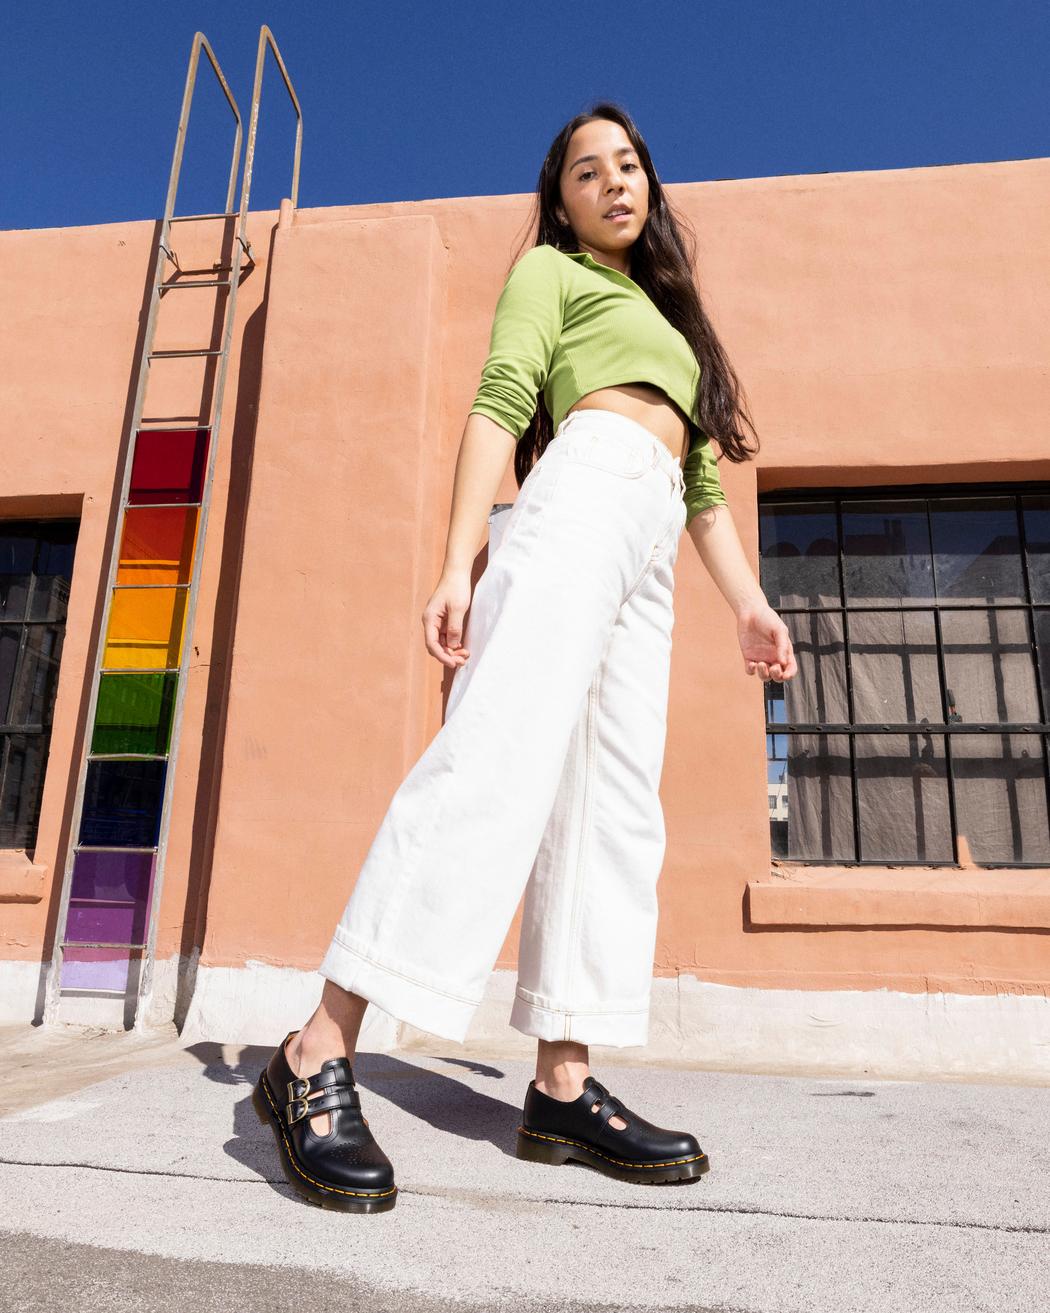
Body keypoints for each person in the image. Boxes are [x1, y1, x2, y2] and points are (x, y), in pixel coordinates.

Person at [253, 101, 797, 1213]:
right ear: (561, 200)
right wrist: (458, 562)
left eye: (630, 164)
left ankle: (560, 1082)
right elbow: (501, 402)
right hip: (577, 500)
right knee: (493, 759)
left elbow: (699, 487)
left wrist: (746, 602)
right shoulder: (550, 275)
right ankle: (315, 1046)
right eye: (588, 171)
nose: (614, 182)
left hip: (647, 538)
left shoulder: (672, 321)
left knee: (612, 811)